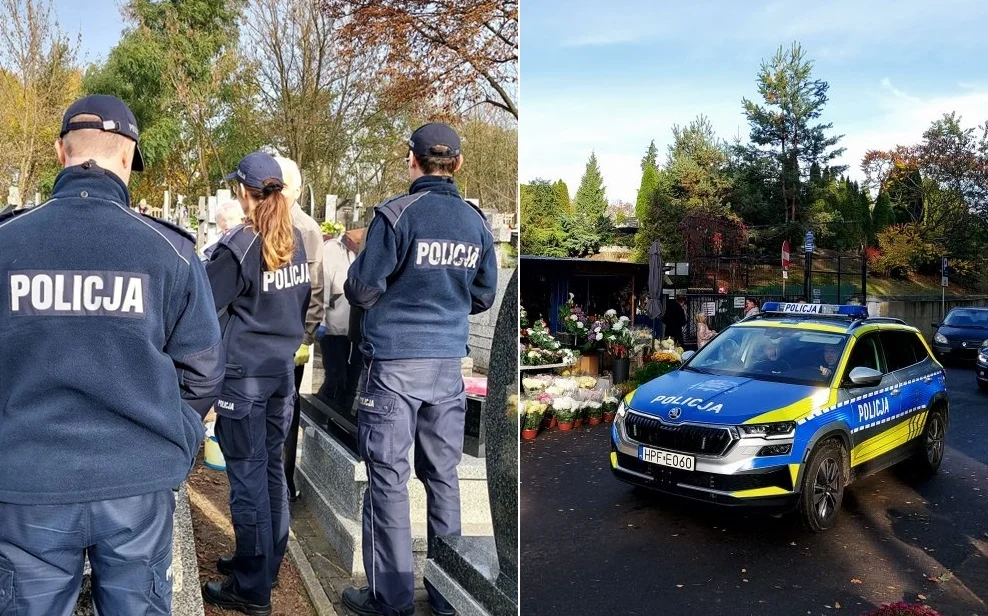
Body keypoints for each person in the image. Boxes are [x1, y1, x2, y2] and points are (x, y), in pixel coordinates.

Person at [0, 94, 224, 616]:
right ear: (127, 159)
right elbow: (205, 371)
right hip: (136, 483)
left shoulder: (7, 242)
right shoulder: (168, 251)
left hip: (28, 476)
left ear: (61, 152)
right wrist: (176, 436)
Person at [341, 123, 498, 616]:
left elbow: (363, 289)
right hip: (447, 369)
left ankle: (391, 600)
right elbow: (484, 294)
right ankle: (451, 596)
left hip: (393, 366)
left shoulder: (395, 214)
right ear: (458, 165)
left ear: (412, 160)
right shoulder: (475, 223)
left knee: (388, 479)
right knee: (443, 476)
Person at [201, 152, 311, 615]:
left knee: (248, 480)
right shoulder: (295, 242)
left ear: (245, 193)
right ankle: (262, 563)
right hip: (281, 373)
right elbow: (302, 305)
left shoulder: (240, 245)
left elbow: (202, 308)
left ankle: (251, 588)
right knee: (269, 474)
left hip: (244, 379)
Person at [274, 156, 325, 502]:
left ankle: (284, 480)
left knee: (287, 412)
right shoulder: (262, 219)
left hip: (291, 337)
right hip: (264, 337)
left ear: (295, 189)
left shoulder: (305, 228)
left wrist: (306, 336)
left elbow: (315, 286)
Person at [317, 228, 362, 414]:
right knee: (336, 378)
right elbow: (323, 284)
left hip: (356, 329)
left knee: (352, 382)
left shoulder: (358, 253)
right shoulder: (332, 249)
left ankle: (342, 417)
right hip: (334, 327)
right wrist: (319, 320)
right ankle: (322, 416)